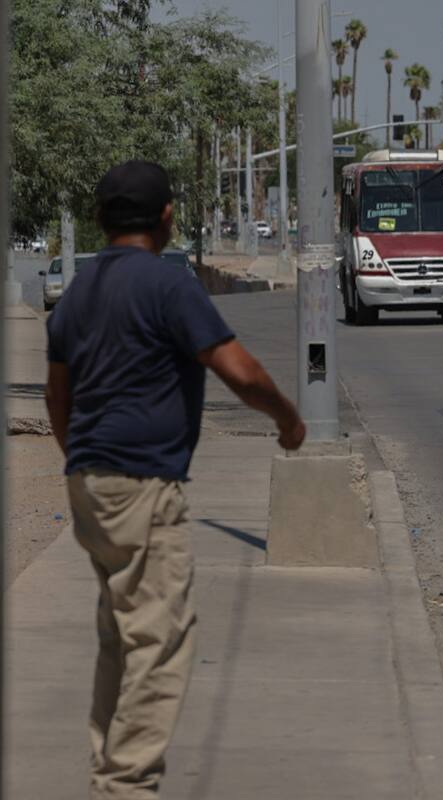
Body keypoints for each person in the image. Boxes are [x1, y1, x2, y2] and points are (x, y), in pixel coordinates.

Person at [44, 160, 306, 800]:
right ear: (166, 218)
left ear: (100, 219)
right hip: (142, 486)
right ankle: (125, 786)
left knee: (121, 634)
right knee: (160, 640)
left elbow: (57, 393)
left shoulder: (78, 290)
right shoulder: (169, 283)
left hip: (89, 482)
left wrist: (82, 459)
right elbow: (239, 371)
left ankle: (109, 770)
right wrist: (288, 419)